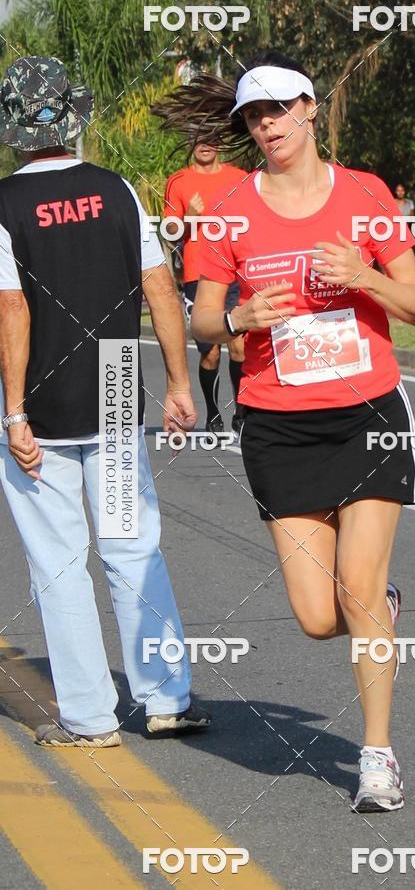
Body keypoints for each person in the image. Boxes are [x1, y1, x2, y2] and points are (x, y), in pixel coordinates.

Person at [164, 50, 415, 813]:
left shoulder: (365, 195)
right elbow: (204, 316)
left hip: (368, 416)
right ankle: (375, 604)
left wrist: (366, 274)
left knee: (357, 596)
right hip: (278, 424)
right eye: (255, 114)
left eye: (280, 108)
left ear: (311, 108)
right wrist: (237, 319)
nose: (269, 124)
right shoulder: (229, 212)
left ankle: (377, 759)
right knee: (320, 616)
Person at [0, 57, 210, 746]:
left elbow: (13, 314)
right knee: (133, 548)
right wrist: (180, 383)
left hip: (42, 402)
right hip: (117, 387)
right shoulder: (116, 190)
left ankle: (90, 718)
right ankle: (167, 697)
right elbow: (160, 287)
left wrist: (13, 412)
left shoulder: (3, 204)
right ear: (73, 115)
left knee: (61, 561)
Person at [159, 139, 248, 438]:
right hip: (199, 275)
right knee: (210, 353)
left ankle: (241, 411)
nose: (205, 145)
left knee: (240, 346)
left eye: (212, 138)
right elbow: (169, 232)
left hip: (237, 272)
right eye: (198, 139)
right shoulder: (179, 181)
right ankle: (212, 412)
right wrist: (189, 219)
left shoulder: (239, 179)